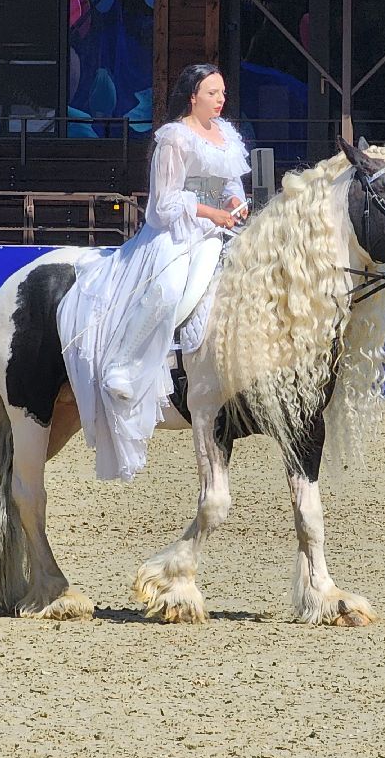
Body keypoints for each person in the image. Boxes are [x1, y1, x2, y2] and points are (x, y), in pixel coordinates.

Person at [58, 63, 249, 481]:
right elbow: (163, 205)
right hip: (177, 234)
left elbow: (232, 184)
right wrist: (210, 212)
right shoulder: (174, 139)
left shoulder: (226, 137)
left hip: (221, 229)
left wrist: (237, 203)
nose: (221, 99)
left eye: (222, 92)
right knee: (166, 289)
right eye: (213, 92)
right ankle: (123, 366)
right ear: (192, 96)